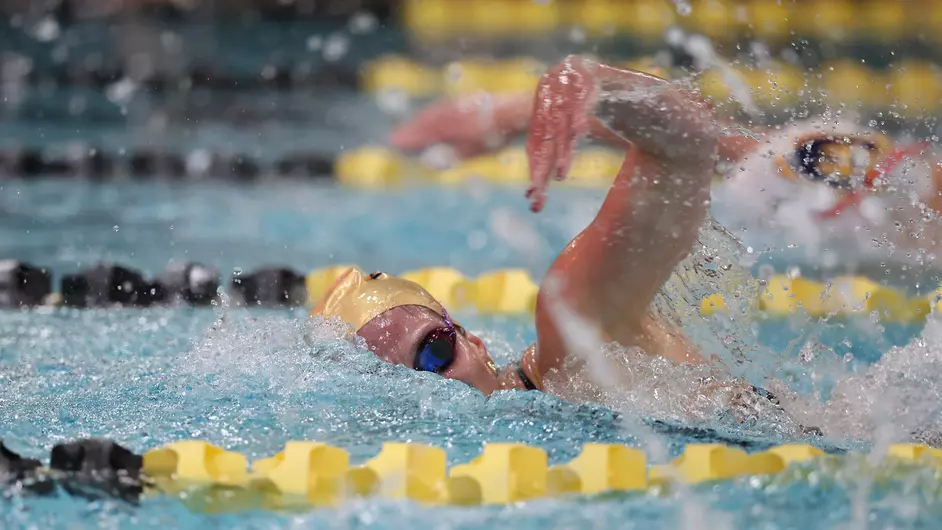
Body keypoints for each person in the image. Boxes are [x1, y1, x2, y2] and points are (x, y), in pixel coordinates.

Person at [313, 55, 807, 425]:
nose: (433, 390)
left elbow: (687, 143)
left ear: (473, 339)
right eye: (397, 386)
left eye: (434, 354)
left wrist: (592, 82)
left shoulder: (575, 328)